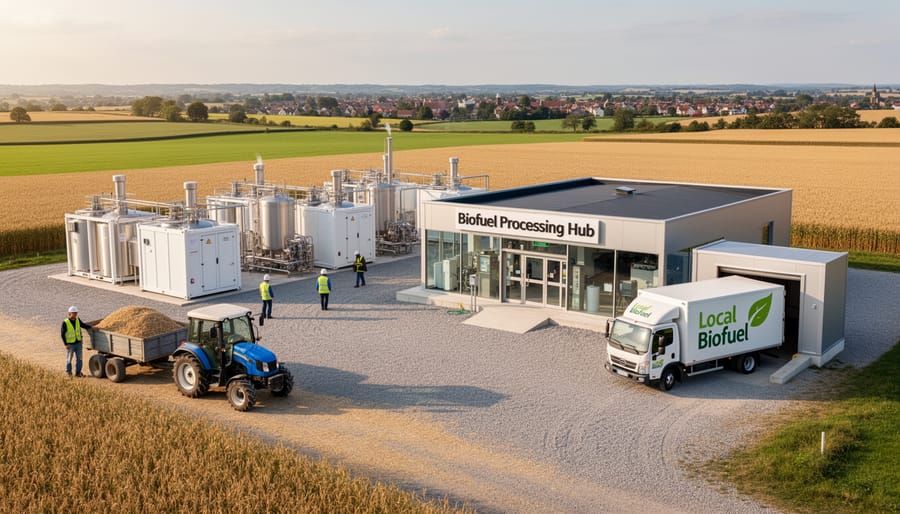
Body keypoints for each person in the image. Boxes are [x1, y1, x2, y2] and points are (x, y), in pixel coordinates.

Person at [60, 306, 92, 378]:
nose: (75, 314)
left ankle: (78, 373)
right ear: (69, 314)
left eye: (75, 313)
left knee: (79, 359)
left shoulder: (77, 320)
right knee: (69, 359)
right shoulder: (65, 322)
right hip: (70, 344)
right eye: (73, 313)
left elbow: (83, 325)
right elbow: (62, 334)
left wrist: (92, 327)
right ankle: (69, 373)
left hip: (78, 343)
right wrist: (66, 344)